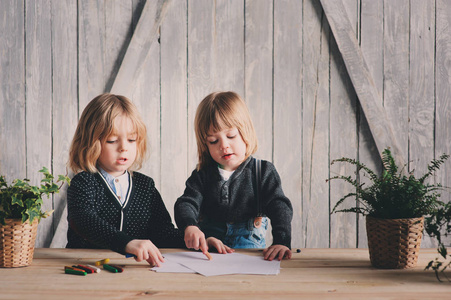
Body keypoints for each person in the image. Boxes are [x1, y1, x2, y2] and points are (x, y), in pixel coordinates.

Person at [66, 93, 184, 266]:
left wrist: (194, 239)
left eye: (131, 139)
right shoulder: (83, 183)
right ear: (91, 142)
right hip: (87, 269)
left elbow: (163, 233)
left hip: (132, 272)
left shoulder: (146, 186)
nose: (123, 148)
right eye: (112, 140)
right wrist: (126, 243)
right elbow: (84, 220)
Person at [174, 91, 293, 261]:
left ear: (245, 132)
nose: (224, 146)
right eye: (214, 141)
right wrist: (190, 226)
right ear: (205, 145)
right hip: (211, 252)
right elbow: (186, 203)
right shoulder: (202, 175)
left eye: (231, 136)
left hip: (250, 255)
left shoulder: (263, 171)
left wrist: (282, 241)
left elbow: (280, 206)